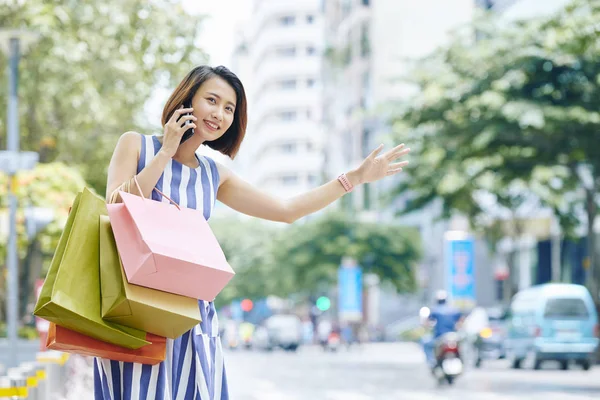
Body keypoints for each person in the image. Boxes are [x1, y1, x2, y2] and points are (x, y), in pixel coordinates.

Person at [96, 65, 410, 399]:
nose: (219, 114)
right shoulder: (136, 145)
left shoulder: (214, 175)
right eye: (212, 101)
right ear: (187, 100)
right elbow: (117, 207)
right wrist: (164, 154)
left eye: (229, 108)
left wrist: (353, 179)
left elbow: (286, 211)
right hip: (134, 307)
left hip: (192, 317)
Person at [422, 290, 462, 367]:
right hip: (453, 336)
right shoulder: (454, 310)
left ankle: (431, 361)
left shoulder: (435, 310)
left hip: (439, 337)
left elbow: (427, 322)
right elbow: (460, 322)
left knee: (425, 342)